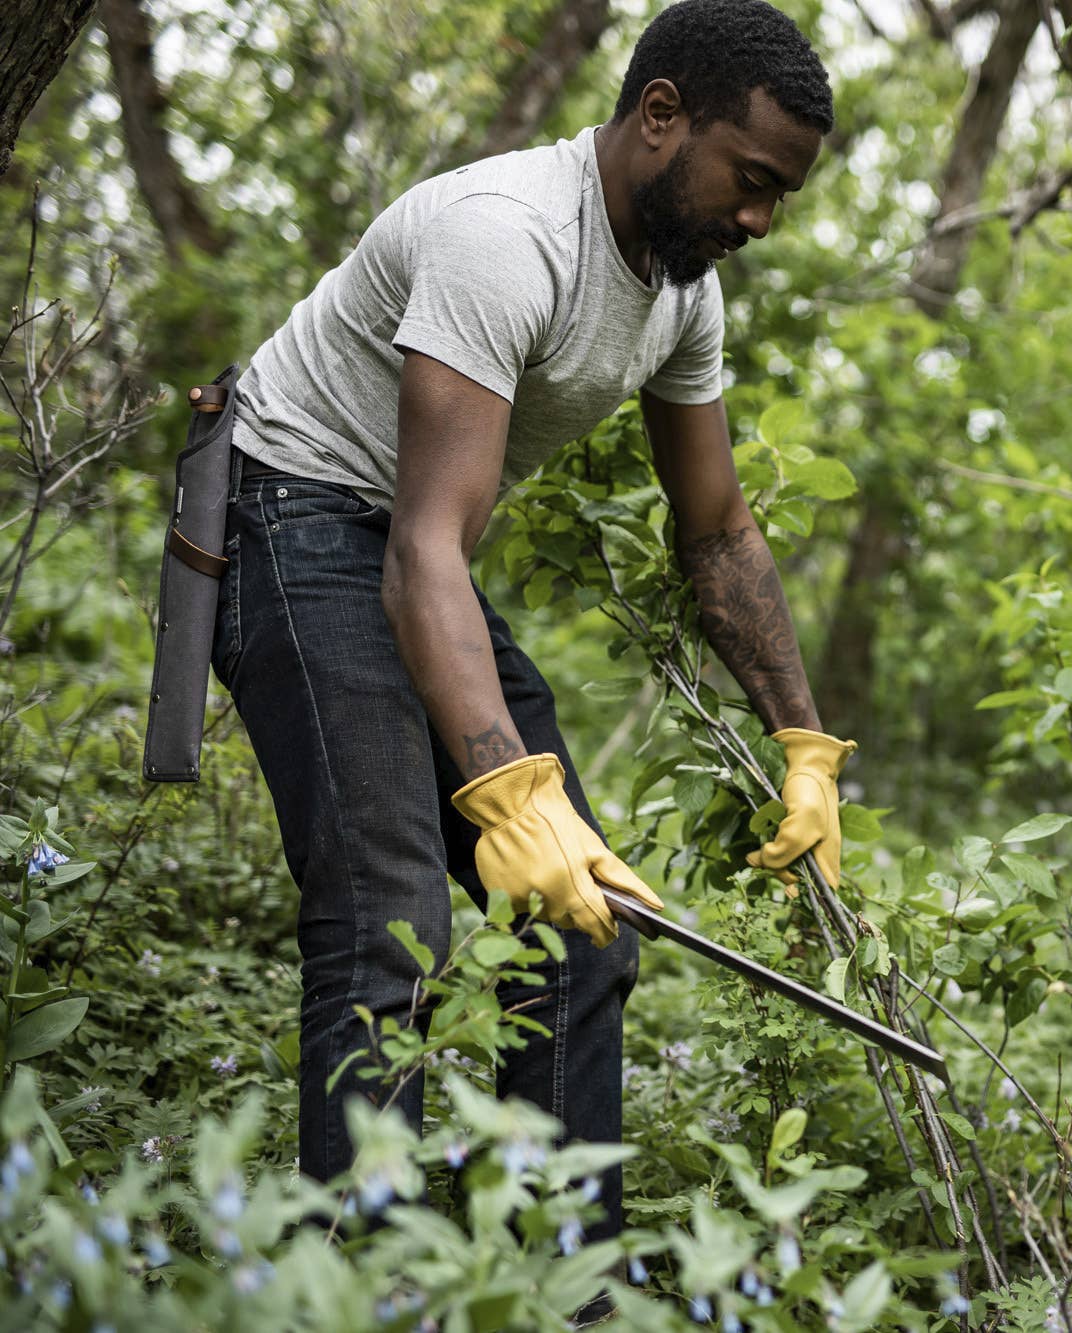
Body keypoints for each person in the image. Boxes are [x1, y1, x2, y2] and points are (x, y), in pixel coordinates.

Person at [206, 0, 854, 1251]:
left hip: (406, 545)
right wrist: (510, 793)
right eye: (752, 180)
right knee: (392, 915)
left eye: (781, 195)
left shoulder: (681, 293)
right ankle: (357, 1280)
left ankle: (568, 1281)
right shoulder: (506, 235)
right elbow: (424, 550)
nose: (761, 221)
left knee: (586, 926)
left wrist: (805, 746)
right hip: (289, 509)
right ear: (659, 115)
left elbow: (717, 531)